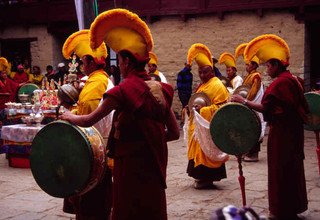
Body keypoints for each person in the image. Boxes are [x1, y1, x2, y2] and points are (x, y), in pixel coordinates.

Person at [60, 8, 180, 219]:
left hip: (130, 166)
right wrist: (150, 141)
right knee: (152, 207)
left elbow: (89, 119)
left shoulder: (123, 90)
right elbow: (175, 133)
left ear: (126, 62)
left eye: (121, 60)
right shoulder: (161, 89)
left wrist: (69, 116)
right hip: (153, 164)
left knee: (128, 208)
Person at [231, 34, 308, 219]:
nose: (266, 70)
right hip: (293, 133)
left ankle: (282, 210)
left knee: (280, 169)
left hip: (282, 135)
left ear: (275, 65)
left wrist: (244, 101)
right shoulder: (293, 80)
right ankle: (293, 207)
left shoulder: (281, 83)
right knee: (292, 168)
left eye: (268, 66)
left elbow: (266, 107)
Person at [61, 29, 114, 219]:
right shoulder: (99, 80)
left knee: (92, 204)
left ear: (91, 62)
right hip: (98, 147)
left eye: (83, 62)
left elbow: (88, 118)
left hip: (92, 150)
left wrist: (68, 114)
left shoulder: (94, 86)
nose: (82, 66)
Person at [185, 43, 229, 189]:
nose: (202, 75)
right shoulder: (203, 85)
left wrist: (203, 110)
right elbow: (196, 99)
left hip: (208, 127)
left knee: (207, 151)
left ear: (212, 71)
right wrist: (189, 107)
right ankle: (199, 177)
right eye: (200, 72)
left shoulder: (217, 85)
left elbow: (222, 108)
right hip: (198, 128)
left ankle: (207, 179)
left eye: (205, 72)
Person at [234, 42, 266, 162]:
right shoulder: (249, 76)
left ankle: (254, 154)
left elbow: (253, 92)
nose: (246, 66)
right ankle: (247, 151)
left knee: (254, 127)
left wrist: (246, 101)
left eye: (248, 64)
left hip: (252, 105)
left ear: (253, 65)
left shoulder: (256, 76)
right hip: (247, 104)